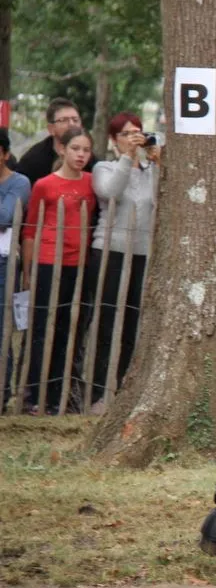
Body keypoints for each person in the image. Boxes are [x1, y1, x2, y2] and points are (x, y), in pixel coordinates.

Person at [80, 112, 159, 414]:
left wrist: (156, 161)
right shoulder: (104, 167)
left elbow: (158, 199)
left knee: (131, 326)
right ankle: (98, 391)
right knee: (105, 322)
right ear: (114, 139)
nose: (133, 138)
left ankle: (124, 388)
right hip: (110, 252)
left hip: (141, 254)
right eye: (126, 134)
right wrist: (127, 158)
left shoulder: (149, 171)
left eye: (137, 133)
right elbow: (109, 192)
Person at [21, 126, 97, 413]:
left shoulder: (91, 182)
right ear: (62, 149)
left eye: (86, 150)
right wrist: (28, 271)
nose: (80, 155)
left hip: (78, 265)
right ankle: (33, 394)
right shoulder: (44, 185)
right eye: (75, 148)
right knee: (42, 328)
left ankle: (59, 395)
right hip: (48, 261)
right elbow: (29, 232)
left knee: (69, 327)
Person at [0, 139, 32, 361]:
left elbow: (4, 216)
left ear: (6, 154)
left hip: (3, 260)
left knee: (1, 326)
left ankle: (2, 388)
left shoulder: (19, 182)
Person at [16, 99, 98, 185]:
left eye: (75, 120)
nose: (71, 124)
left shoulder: (89, 159)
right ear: (51, 129)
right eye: (64, 120)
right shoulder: (33, 160)